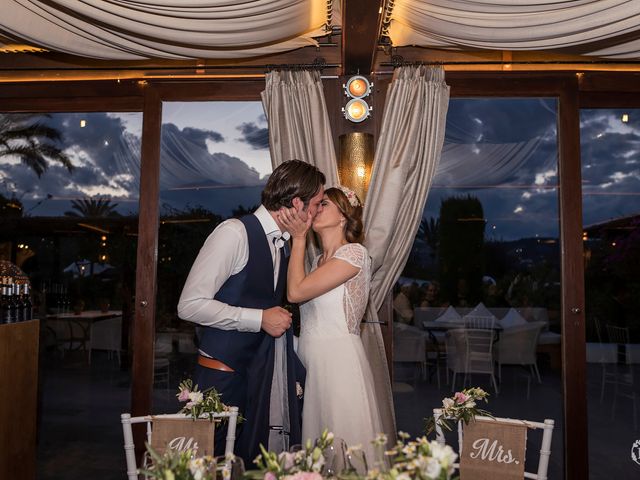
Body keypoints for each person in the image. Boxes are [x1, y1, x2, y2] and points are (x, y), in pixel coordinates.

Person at [177, 160, 325, 464]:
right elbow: (189, 305)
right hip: (224, 374)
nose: (319, 211)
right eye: (318, 203)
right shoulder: (234, 233)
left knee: (248, 460)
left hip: (258, 371)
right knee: (212, 461)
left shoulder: (286, 246)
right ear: (298, 203)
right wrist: (258, 318)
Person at [278, 185, 384, 464]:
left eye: (323, 204)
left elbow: (295, 293)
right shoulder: (315, 262)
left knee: (342, 441)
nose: (316, 209)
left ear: (343, 216)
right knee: (314, 444)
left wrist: (298, 238)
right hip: (309, 359)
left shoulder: (355, 254)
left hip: (338, 362)